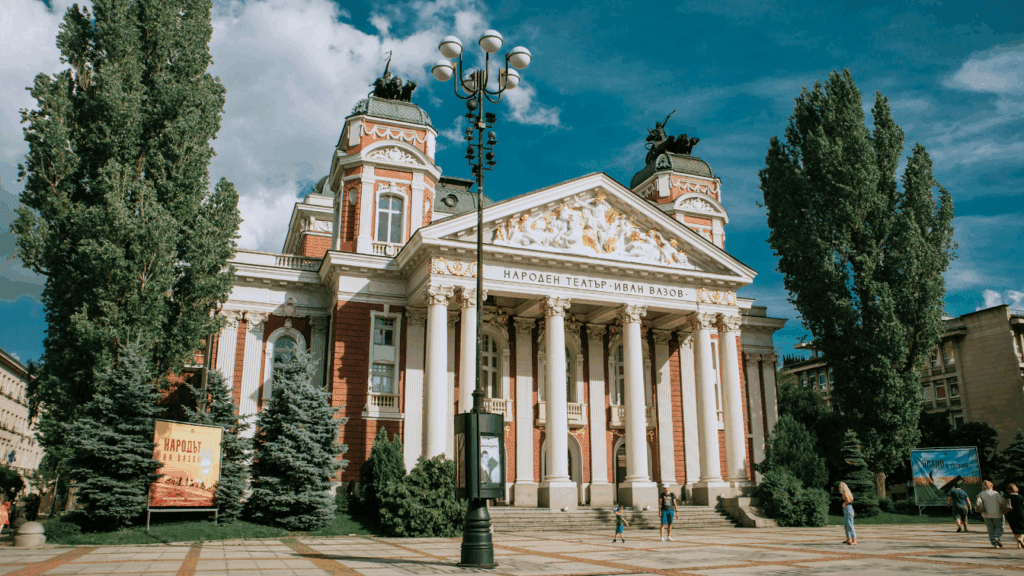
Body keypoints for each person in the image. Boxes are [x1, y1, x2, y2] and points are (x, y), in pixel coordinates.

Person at [976, 480, 1006, 548]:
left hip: (985, 514)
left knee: (990, 528)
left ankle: (994, 543)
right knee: (1000, 526)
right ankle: (997, 537)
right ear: (991, 485)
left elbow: (978, 503)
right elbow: (1001, 502)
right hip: (997, 513)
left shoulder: (981, 493)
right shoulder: (995, 493)